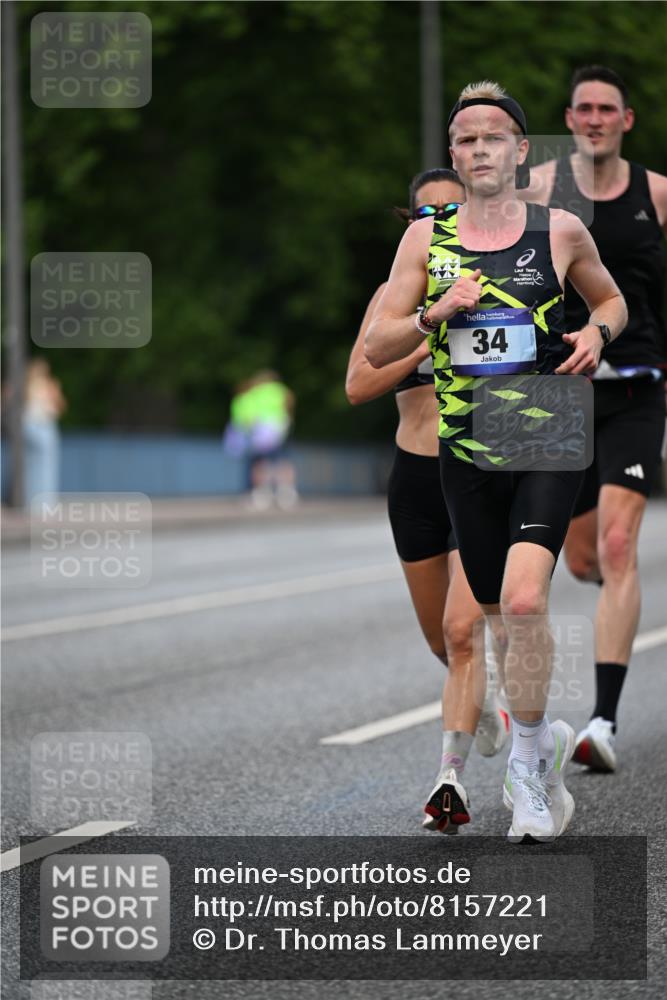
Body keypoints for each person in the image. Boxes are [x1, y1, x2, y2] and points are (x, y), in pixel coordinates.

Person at [365, 81, 627, 842]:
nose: (478, 149)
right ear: (455, 154)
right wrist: (435, 313)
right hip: (464, 438)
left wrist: (596, 337)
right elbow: (379, 345)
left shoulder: (560, 230)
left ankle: (524, 772)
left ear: (520, 151)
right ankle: (539, 736)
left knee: (520, 603)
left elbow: (610, 303)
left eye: (492, 137)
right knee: (493, 622)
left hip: (543, 423)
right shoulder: (424, 241)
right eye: (465, 139)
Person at [346, 168, 508, 835]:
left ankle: (449, 778)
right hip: (415, 480)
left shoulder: (509, 281)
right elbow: (358, 383)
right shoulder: (393, 297)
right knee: (438, 642)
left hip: (479, 470)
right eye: (426, 211)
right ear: (411, 222)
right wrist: (430, 327)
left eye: (452, 207)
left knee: (461, 631)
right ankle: (500, 714)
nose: (439, 218)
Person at [525, 66, 667, 772]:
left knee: (617, 547)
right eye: (582, 108)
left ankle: (601, 723)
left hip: (636, 389)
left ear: (625, 119)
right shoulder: (541, 191)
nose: (593, 118)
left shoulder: (658, 195)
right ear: (569, 117)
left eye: (606, 108)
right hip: (557, 393)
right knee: (578, 558)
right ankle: (616, 597)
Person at [225, 371, 298, 510]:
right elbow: (289, 402)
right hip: (280, 427)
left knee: (260, 462)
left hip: (261, 432)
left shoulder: (254, 393)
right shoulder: (279, 389)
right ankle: (286, 493)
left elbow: (248, 415)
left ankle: (262, 493)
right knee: (282, 461)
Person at [23, 358, 67, 503]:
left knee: (36, 466)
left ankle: (37, 500)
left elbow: (60, 406)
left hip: (35, 425)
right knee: (42, 466)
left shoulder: (32, 385)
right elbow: (60, 406)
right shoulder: (34, 386)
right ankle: (41, 501)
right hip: (38, 425)